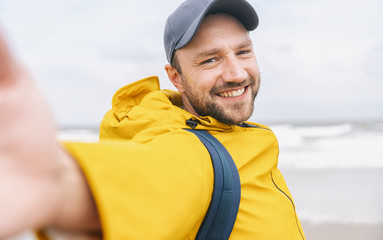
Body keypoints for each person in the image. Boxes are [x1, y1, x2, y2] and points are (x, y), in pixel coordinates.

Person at [0, 0, 306, 239]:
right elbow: (153, 177)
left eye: (242, 51)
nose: (236, 73)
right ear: (176, 78)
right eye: (210, 59)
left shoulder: (238, 134)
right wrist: (55, 185)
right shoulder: (190, 150)